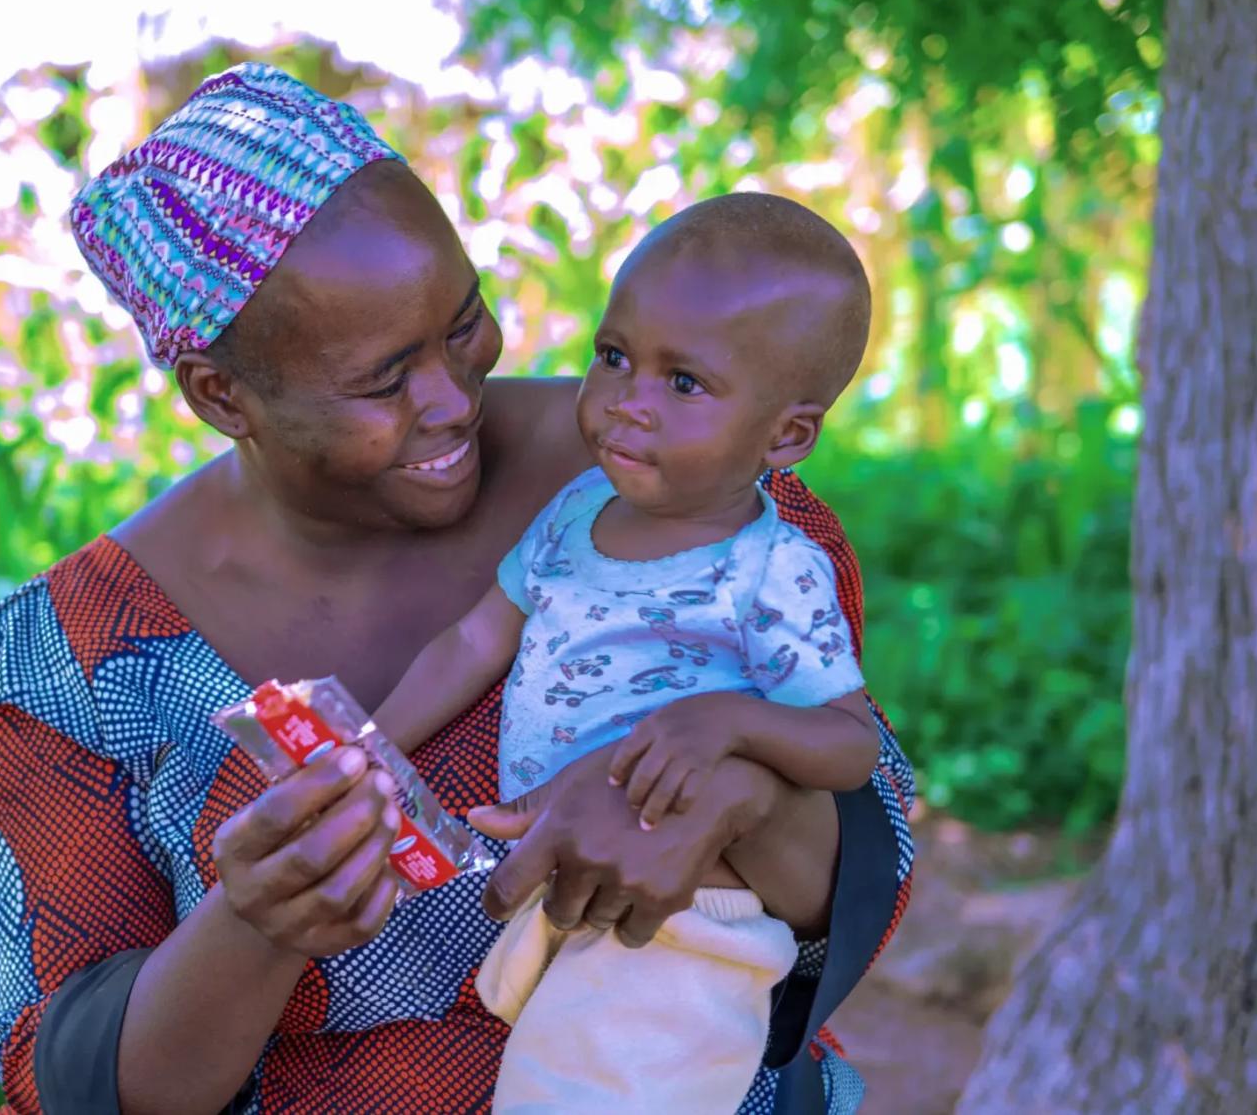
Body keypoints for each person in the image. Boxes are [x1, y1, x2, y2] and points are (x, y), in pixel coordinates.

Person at [0, 63, 915, 1115]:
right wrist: (254, 924)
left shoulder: (691, 490)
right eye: (381, 379)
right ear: (221, 396)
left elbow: (858, 872)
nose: (455, 400)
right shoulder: (67, 665)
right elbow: (70, 1080)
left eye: (463, 324)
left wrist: (728, 796)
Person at [371, 192, 880, 1112]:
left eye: (683, 383)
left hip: (685, 923)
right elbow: (477, 637)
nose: (626, 404)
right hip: (577, 904)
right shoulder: (576, 514)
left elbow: (851, 745)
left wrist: (725, 720)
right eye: (614, 358)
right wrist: (367, 746)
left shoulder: (772, 569)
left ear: (787, 434)